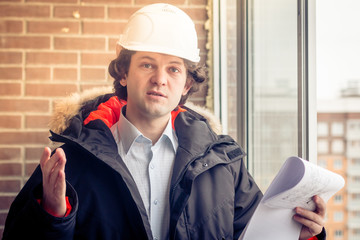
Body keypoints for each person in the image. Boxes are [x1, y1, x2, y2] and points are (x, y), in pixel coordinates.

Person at [3, 3, 326, 240]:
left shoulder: (223, 163)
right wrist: (51, 214)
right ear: (123, 73)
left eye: (173, 69)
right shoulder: (72, 161)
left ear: (186, 84)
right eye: (147, 65)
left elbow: (257, 234)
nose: (160, 79)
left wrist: (302, 234)